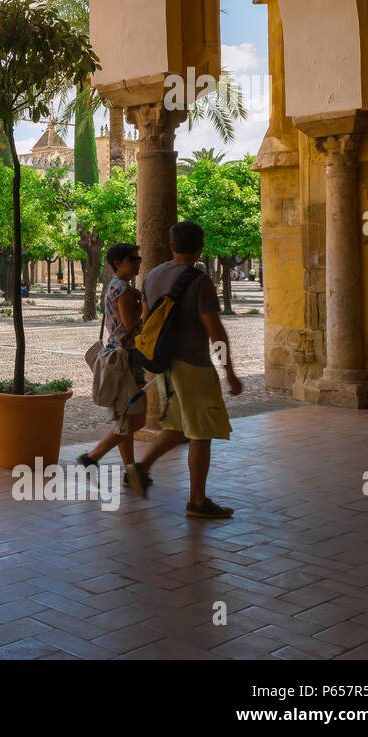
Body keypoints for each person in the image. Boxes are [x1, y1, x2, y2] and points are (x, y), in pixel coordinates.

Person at [134, 221, 243, 519]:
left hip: (164, 365)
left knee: (176, 427)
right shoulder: (199, 281)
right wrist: (229, 372)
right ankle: (197, 501)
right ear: (200, 247)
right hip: (193, 365)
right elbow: (215, 331)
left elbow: (146, 322)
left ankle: (141, 467)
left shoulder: (152, 276)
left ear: (171, 246)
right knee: (201, 433)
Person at [77, 243, 151, 496]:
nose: (138, 263)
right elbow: (130, 323)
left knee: (125, 416)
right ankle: (92, 456)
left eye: (138, 258)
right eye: (133, 259)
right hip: (127, 358)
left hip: (118, 355)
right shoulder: (123, 289)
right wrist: (146, 306)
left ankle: (131, 471)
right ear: (119, 263)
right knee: (136, 417)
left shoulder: (115, 286)